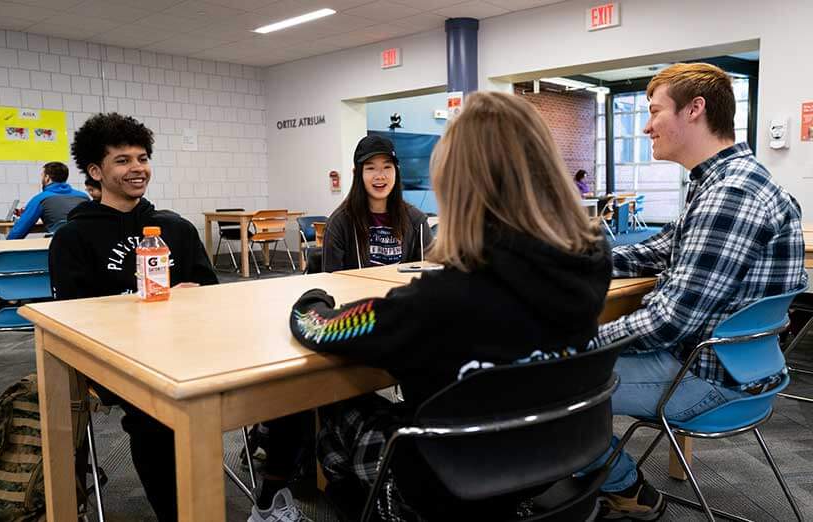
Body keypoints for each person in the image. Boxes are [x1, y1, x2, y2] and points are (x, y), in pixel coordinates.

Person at [289, 91, 612, 519]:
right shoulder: (591, 263)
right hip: (546, 461)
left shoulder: (437, 301)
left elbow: (319, 327)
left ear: (456, 183)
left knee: (331, 405)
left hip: (445, 483)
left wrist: (313, 297)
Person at [589, 63, 807, 520]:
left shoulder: (730, 194)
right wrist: (570, 260)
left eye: (654, 111)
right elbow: (658, 249)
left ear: (694, 110)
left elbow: (671, 321)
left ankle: (627, 489)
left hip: (711, 381)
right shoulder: (726, 183)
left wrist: (579, 348)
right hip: (746, 372)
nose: (647, 125)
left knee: (546, 387)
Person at [48, 113, 221, 522]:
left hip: (185, 351)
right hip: (115, 361)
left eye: (142, 158)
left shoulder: (175, 228)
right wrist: (141, 303)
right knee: (156, 418)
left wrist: (192, 297)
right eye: (122, 160)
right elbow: (70, 318)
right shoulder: (74, 237)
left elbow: (212, 292)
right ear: (96, 171)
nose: (137, 168)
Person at [321, 135, 432, 272]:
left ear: (396, 171)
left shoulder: (416, 222)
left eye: (387, 166)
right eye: (370, 168)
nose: (380, 176)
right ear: (357, 174)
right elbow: (331, 280)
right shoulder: (340, 223)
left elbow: (429, 275)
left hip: (404, 292)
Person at [7, 161, 89, 239]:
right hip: (88, 245)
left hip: (61, 246)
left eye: (42, 175)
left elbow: (17, 232)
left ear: (47, 177)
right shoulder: (84, 197)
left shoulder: (41, 199)